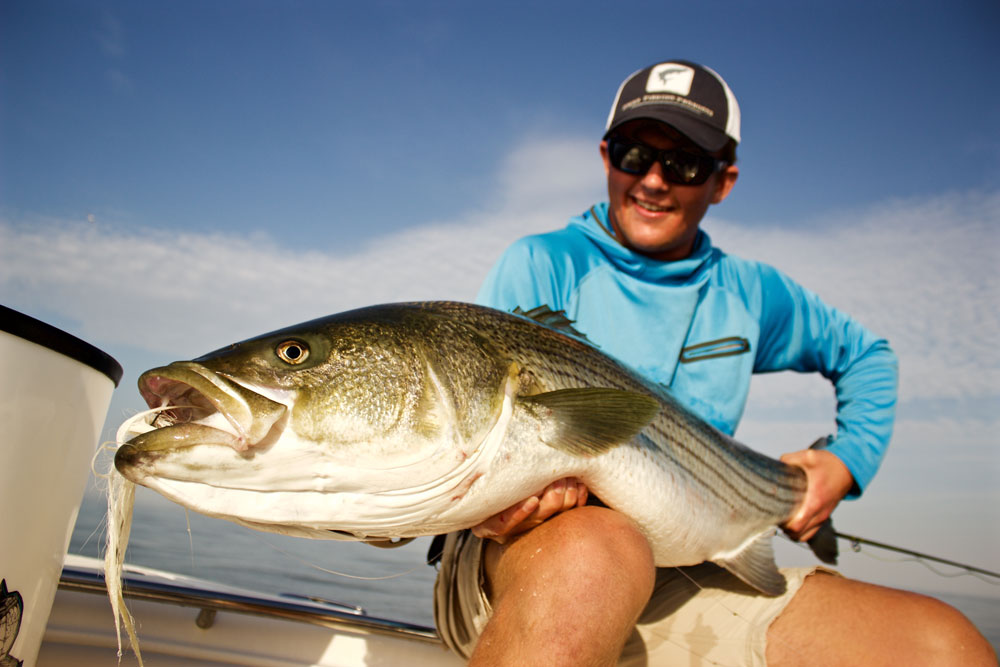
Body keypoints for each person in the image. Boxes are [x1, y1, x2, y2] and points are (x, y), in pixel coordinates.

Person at [431, 60, 997, 666]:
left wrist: (845, 462)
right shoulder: (544, 264)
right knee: (595, 548)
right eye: (633, 154)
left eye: (684, 163)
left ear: (723, 181)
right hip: (521, 556)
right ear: (605, 157)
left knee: (946, 645)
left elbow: (867, 356)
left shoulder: (750, 293)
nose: (653, 181)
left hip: (679, 565)